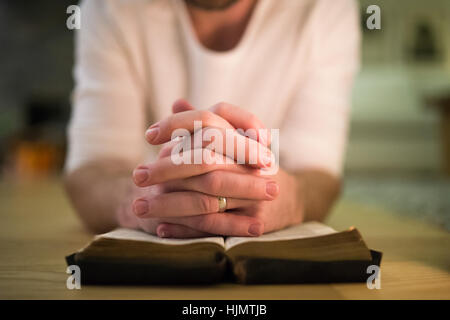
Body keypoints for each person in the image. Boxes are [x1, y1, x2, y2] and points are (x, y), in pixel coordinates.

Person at [64, 0, 360, 238]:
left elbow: (320, 175)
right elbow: (90, 171)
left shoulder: (326, 9)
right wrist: (144, 198)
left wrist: (287, 198)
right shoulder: (108, 9)